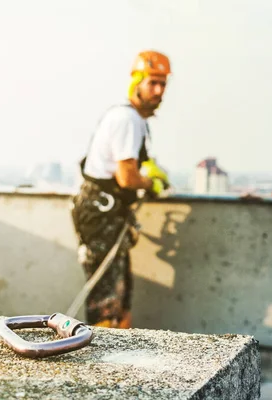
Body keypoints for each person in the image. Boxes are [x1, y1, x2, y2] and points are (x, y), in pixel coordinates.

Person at [71, 50, 172, 328]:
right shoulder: (127, 120)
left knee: (120, 302)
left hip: (106, 214)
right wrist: (151, 183)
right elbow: (127, 177)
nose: (159, 90)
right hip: (101, 216)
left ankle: (116, 361)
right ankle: (101, 367)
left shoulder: (134, 121)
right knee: (107, 308)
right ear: (136, 81)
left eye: (163, 84)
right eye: (152, 82)